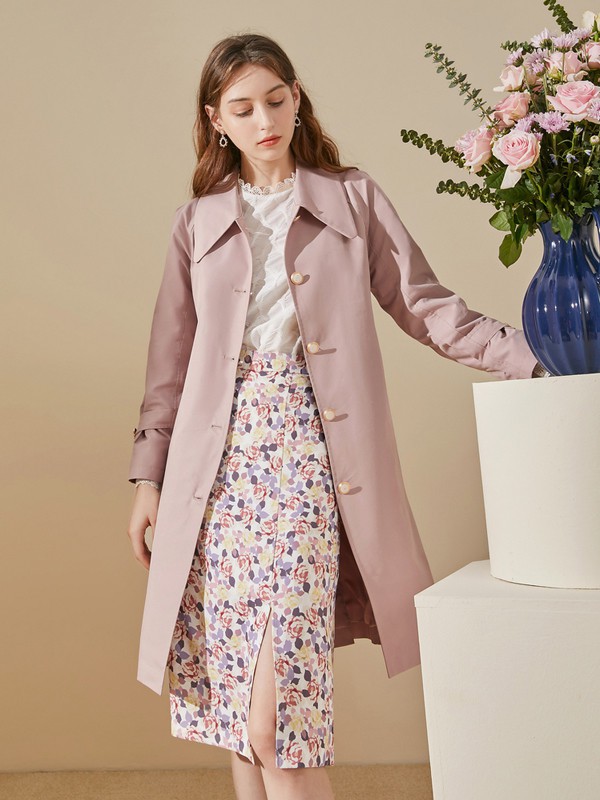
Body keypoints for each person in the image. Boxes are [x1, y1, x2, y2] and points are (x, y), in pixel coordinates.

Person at [126, 32, 544, 800]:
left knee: (275, 717)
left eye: (275, 100)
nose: (264, 121)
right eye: (243, 109)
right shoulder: (197, 224)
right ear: (215, 119)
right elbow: (168, 367)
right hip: (213, 479)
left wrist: (539, 356)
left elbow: (427, 306)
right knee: (235, 714)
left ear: (297, 97)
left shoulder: (352, 199)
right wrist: (148, 479)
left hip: (308, 463)